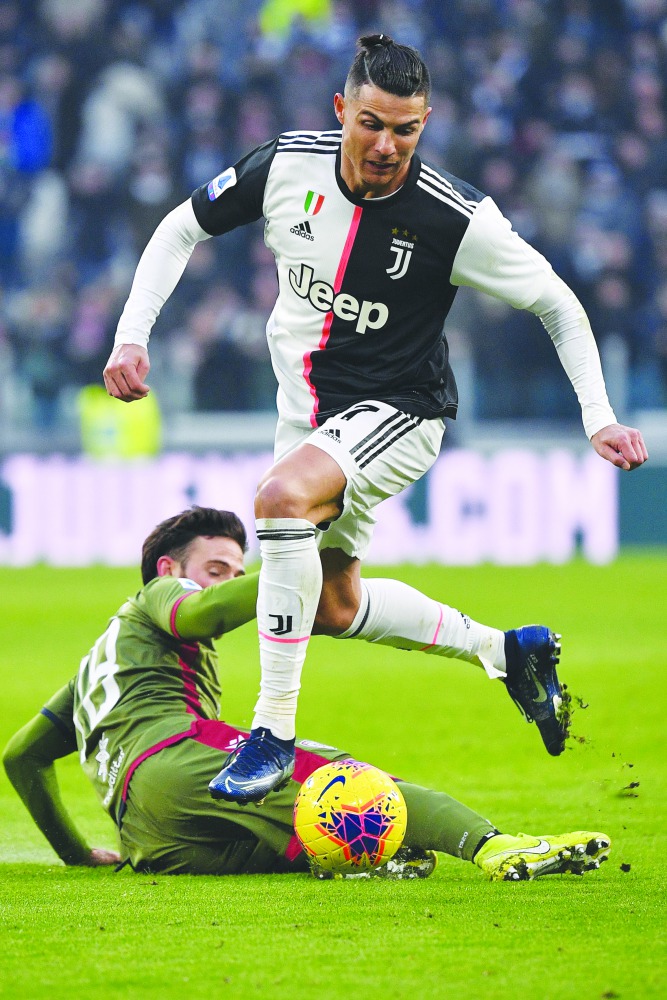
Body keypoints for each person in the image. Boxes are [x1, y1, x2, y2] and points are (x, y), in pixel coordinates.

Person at [103, 35, 648, 803]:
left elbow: (557, 303)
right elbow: (179, 227)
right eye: (371, 124)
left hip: (401, 410)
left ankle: (272, 732)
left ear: (425, 125)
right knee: (331, 603)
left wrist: (597, 416)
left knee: (280, 501)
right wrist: (132, 333)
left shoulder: (454, 216)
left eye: (406, 129)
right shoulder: (285, 165)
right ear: (341, 110)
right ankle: (506, 652)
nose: (387, 145)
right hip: (310, 417)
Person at [2, 506, 611, 882]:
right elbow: (200, 615)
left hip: (153, 839)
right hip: (174, 759)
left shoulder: (97, 666)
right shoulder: (155, 600)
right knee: (347, 781)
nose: (231, 584)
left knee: (307, 837)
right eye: (218, 570)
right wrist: (288, 573)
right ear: (168, 570)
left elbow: (21, 756)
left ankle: (384, 855)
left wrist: (78, 855)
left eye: (238, 573)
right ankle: (496, 846)